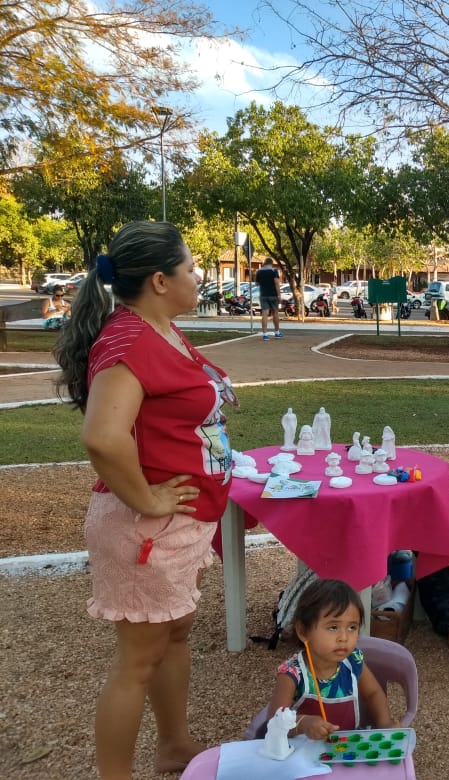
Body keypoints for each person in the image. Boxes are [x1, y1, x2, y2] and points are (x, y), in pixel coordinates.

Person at [52, 221, 235, 780]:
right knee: (136, 662)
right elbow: (102, 436)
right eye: (191, 267)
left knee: (173, 633)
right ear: (160, 279)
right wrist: (148, 499)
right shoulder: (128, 341)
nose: (199, 276)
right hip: (146, 532)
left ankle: (175, 747)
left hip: (180, 525)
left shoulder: (161, 329)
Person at [257, 578, 395, 739]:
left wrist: (385, 723)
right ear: (303, 631)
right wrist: (303, 723)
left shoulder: (353, 661)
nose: (343, 637)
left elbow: (373, 693)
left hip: (346, 751)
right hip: (302, 754)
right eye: (333, 627)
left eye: (352, 627)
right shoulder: (293, 673)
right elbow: (274, 720)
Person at [255, 256, 282, 340]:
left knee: (264, 314)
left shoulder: (259, 271)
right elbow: (276, 283)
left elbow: (256, 283)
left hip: (263, 295)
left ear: (264, 263)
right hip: (273, 295)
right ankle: (277, 332)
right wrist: (279, 295)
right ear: (271, 264)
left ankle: (265, 334)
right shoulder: (274, 271)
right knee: (275, 313)